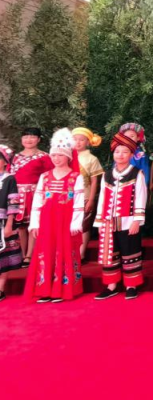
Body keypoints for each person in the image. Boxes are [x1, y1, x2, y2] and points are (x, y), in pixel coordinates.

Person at [24, 129, 84, 302]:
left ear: (68, 157)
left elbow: (79, 202)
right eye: (54, 155)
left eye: (60, 155)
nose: (56, 158)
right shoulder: (44, 177)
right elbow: (37, 202)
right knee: (45, 251)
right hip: (47, 221)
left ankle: (62, 289)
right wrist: (34, 223)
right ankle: (45, 289)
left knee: (64, 251)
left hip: (66, 220)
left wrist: (76, 223)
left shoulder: (75, 177)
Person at [94, 132, 147, 300]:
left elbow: (141, 196)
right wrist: (100, 221)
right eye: (117, 151)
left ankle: (131, 285)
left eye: (125, 152)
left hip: (128, 221)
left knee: (130, 252)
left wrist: (137, 220)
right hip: (108, 221)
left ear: (131, 155)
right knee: (110, 253)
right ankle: (111, 285)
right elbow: (102, 198)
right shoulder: (107, 175)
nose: (120, 155)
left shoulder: (136, 173)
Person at [11, 127, 53, 267]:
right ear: (21, 139)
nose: (28, 140)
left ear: (39, 139)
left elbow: (49, 177)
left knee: (33, 224)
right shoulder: (15, 157)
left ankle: (30, 255)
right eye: (25, 137)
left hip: (35, 194)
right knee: (20, 226)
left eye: (32, 137)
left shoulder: (45, 157)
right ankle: (22, 254)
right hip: (17, 195)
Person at [71, 127, 104, 261]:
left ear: (88, 142)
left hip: (85, 196)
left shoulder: (92, 159)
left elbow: (95, 181)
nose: (78, 142)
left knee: (84, 226)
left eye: (81, 140)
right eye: (75, 139)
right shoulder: (66, 157)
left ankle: (81, 253)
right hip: (68, 197)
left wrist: (91, 199)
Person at [0, 145, 21, 301]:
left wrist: (9, 224)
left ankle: (0, 289)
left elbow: (13, 202)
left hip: (3, 221)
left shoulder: (9, 179)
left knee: (3, 257)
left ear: (5, 162)